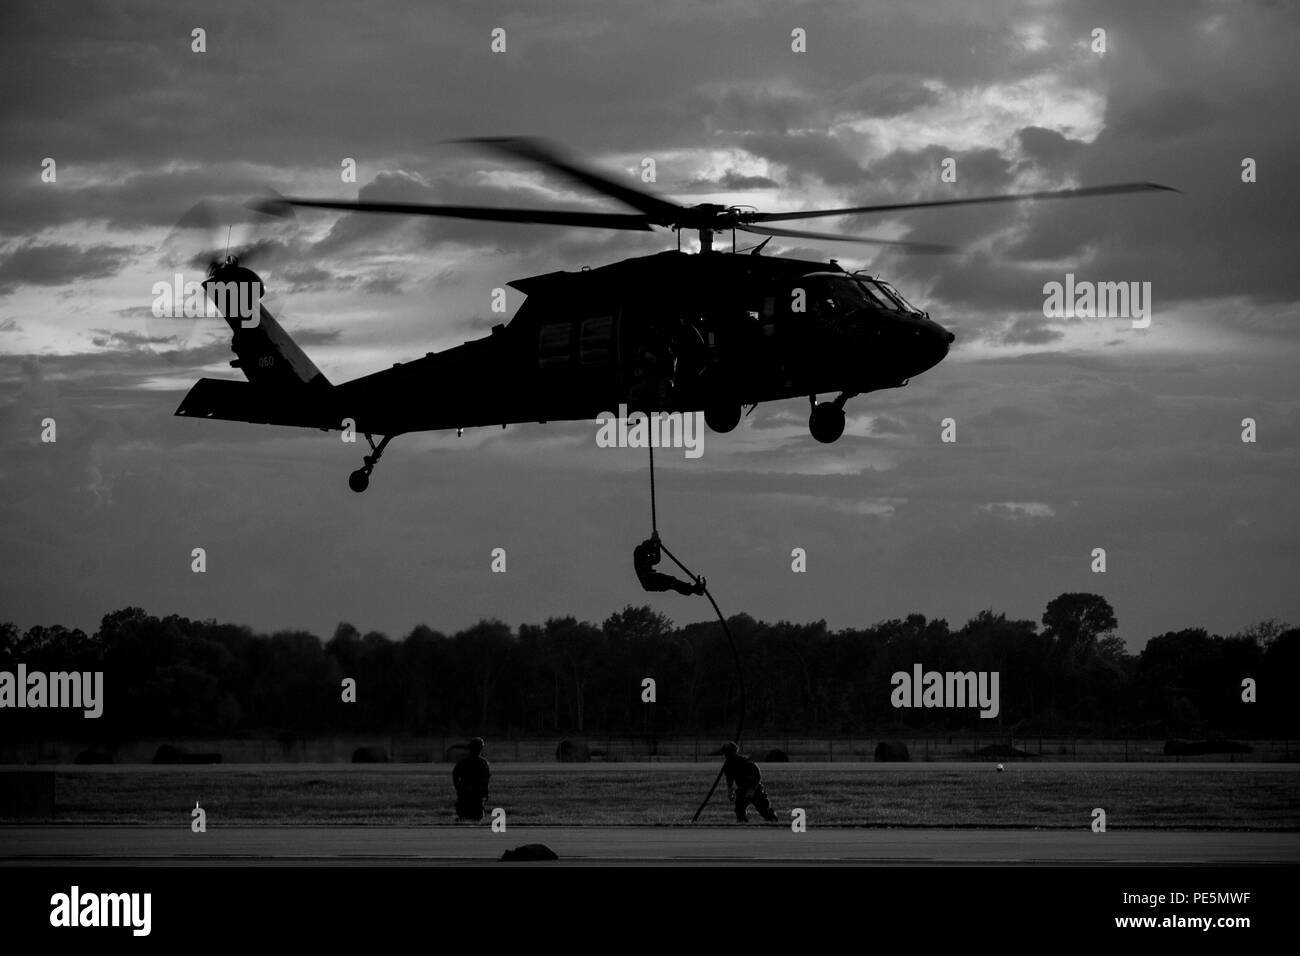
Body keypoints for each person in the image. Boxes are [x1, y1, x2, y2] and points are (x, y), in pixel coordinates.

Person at [634, 532, 705, 596]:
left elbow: (656, 560)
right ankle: (694, 589)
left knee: (672, 583)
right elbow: (649, 555)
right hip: (648, 579)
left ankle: (694, 589)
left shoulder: (647, 554)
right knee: (671, 581)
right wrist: (654, 541)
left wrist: (657, 546)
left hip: (649, 581)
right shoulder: (639, 550)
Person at [722, 741, 778, 822]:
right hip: (742, 789)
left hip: (754, 789)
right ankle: (742, 823)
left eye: (727, 752)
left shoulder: (745, 762)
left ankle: (772, 820)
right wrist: (730, 790)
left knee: (764, 809)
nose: (726, 755)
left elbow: (757, 775)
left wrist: (752, 789)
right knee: (739, 809)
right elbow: (729, 778)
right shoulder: (728, 765)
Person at [452, 737, 491, 821]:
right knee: (476, 816)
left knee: (464, 814)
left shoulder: (463, 762)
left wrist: (458, 787)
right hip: (476, 792)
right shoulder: (483, 763)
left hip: (466, 791)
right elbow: (486, 780)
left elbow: (455, 775)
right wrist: (486, 792)